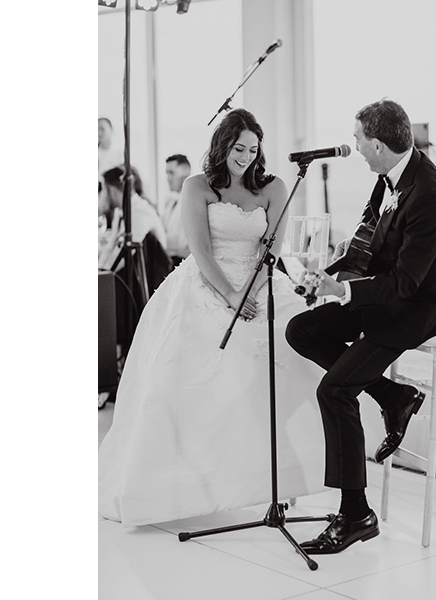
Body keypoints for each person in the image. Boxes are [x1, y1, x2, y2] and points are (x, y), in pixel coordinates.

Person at [98, 108, 326, 526]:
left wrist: (252, 291)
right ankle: (189, 487)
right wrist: (231, 294)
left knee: (283, 366)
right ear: (223, 146)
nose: (245, 156)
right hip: (208, 283)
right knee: (191, 380)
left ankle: (274, 481)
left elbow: (271, 250)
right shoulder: (196, 186)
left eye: (253, 149)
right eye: (239, 148)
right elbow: (200, 251)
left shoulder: (274, 188)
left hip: (260, 283)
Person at [286, 99, 436, 554]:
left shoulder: (430, 195)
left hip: (419, 309)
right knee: (301, 330)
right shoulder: (389, 177)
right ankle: (394, 396)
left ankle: (355, 515)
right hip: (384, 296)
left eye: (359, 139)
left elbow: (408, 283)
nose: (355, 147)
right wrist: (326, 274)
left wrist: (344, 292)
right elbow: (367, 244)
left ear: (380, 144)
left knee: (335, 390)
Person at [158, 153, 192, 267]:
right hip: (170, 261)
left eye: (171, 173)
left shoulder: (193, 200)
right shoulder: (170, 202)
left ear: (185, 172)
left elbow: (182, 243)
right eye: (167, 173)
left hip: (185, 262)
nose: (168, 178)